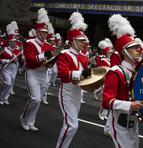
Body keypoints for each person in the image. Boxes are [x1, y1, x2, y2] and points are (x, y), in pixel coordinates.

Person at [102, 14, 143, 148]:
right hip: (119, 122)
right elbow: (106, 101)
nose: (139, 49)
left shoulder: (137, 72)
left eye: (138, 47)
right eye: (134, 47)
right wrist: (129, 105)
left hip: (133, 121)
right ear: (125, 52)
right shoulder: (116, 72)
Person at [56, 11, 91, 148]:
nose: (84, 43)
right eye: (81, 41)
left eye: (84, 40)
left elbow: (85, 74)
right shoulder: (65, 54)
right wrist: (81, 73)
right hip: (67, 92)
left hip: (78, 92)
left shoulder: (83, 56)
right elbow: (63, 74)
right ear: (73, 41)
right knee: (72, 125)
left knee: (70, 125)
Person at [20, 8, 54, 132]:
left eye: (46, 32)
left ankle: (31, 122)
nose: (45, 34)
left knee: (39, 100)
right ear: (38, 31)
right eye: (43, 32)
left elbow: (50, 62)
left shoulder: (49, 46)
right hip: (32, 73)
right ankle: (24, 118)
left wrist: (52, 62)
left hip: (43, 73)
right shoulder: (30, 43)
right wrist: (44, 56)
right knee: (35, 98)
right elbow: (29, 59)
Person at [0, 23, 22, 105]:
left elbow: (20, 57)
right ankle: (1, 97)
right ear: (9, 42)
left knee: (11, 83)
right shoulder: (4, 50)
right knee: (7, 83)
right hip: (6, 67)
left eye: (15, 41)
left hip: (14, 67)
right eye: (12, 42)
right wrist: (4, 60)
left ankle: (6, 98)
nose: (14, 43)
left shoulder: (17, 49)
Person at [42, 23, 56, 105]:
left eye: (54, 40)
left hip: (50, 67)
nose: (53, 41)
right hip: (43, 67)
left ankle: (44, 97)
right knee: (42, 84)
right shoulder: (45, 46)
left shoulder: (53, 47)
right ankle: (39, 97)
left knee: (46, 85)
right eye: (52, 40)